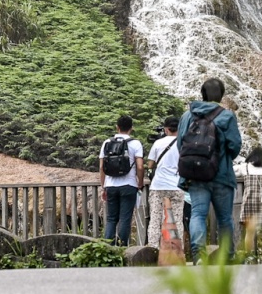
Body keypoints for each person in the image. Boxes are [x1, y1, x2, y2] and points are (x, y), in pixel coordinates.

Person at [179, 77, 243, 260]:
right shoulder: (227, 115)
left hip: (196, 176)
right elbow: (234, 146)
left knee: (197, 214)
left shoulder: (187, 115)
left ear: (203, 94)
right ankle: (227, 257)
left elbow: (180, 145)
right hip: (222, 175)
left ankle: (198, 256)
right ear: (222, 95)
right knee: (225, 218)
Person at [99, 114, 144, 246]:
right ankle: (122, 248)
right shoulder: (135, 143)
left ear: (117, 127)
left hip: (111, 185)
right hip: (129, 185)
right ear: (131, 128)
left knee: (111, 219)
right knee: (125, 218)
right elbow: (140, 166)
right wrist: (140, 183)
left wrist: (104, 186)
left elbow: (102, 167)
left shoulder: (107, 143)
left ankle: (108, 249)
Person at [144, 115, 183, 252]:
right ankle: (177, 249)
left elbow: (150, 165)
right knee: (177, 219)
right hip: (177, 185)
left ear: (166, 129)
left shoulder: (157, 143)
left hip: (158, 185)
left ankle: (153, 249)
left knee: (155, 218)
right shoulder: (183, 143)